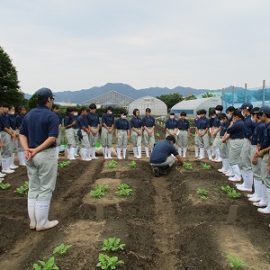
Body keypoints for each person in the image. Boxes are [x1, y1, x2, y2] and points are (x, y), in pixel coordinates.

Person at [19, 87, 59, 231]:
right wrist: (37, 149)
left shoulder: (29, 115)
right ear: (49, 99)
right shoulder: (51, 115)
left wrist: (27, 149)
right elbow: (52, 137)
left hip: (30, 155)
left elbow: (22, 134)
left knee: (33, 186)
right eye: (52, 99)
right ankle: (42, 223)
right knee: (46, 187)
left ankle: (33, 222)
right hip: (44, 154)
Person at [252, 106, 270, 213]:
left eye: (260, 114)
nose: (259, 116)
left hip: (267, 154)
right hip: (264, 154)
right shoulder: (266, 126)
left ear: (265, 115)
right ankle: (264, 201)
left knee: (267, 180)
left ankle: (269, 206)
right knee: (264, 178)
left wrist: (262, 152)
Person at [221, 110, 245, 182]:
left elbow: (229, 130)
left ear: (236, 117)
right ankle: (235, 174)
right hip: (237, 141)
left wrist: (232, 124)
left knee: (233, 159)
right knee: (235, 158)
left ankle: (237, 176)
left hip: (236, 141)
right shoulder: (241, 122)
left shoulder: (238, 123)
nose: (232, 118)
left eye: (233, 117)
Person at [236, 103, 254, 192]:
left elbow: (250, 135)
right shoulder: (248, 119)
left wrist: (254, 144)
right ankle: (245, 183)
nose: (242, 111)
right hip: (246, 140)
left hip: (248, 142)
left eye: (242, 109)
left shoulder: (248, 120)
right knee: (243, 163)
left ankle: (248, 186)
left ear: (246, 110)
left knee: (246, 164)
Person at [248, 107, 265, 203]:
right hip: (255, 148)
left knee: (257, 173)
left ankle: (260, 196)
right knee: (256, 172)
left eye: (252, 115)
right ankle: (257, 194)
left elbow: (260, 142)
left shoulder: (260, 126)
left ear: (255, 115)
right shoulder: (259, 125)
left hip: (257, 149)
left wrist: (255, 155)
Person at [0, 103, 17, 173]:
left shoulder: (5, 116)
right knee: (5, 150)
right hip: (4, 133)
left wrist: (12, 132)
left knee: (9, 149)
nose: (7, 109)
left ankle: (8, 166)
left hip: (8, 133)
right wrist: (11, 133)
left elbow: (8, 126)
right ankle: (5, 168)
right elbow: (4, 127)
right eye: (5, 107)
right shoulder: (1, 116)